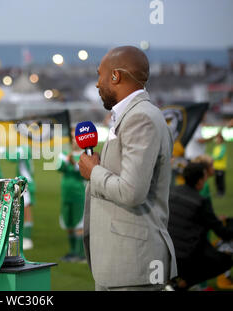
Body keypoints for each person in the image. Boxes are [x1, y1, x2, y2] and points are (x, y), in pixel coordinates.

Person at [78, 46, 177, 291]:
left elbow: (132, 191)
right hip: (120, 263)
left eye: (100, 75)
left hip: (133, 265)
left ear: (116, 76)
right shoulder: (130, 116)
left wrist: (94, 172)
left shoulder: (140, 117)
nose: (97, 84)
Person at [167, 162, 233, 290]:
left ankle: (172, 283)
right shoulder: (201, 202)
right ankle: (180, 285)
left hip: (163, 251)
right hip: (185, 258)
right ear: (200, 181)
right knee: (226, 259)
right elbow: (223, 233)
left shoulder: (171, 192)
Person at [56, 130, 87, 263]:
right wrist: (66, 161)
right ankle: (72, 251)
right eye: (73, 137)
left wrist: (74, 165)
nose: (74, 140)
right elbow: (59, 167)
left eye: (76, 137)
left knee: (78, 223)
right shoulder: (64, 154)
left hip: (79, 194)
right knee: (68, 223)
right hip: (66, 194)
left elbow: (84, 173)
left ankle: (81, 254)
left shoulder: (85, 155)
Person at [212, 132, 227, 197]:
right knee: (217, 180)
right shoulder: (216, 147)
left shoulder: (223, 147)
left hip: (221, 167)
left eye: (218, 139)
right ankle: (218, 192)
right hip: (215, 167)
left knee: (221, 180)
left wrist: (213, 157)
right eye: (216, 139)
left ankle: (222, 192)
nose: (217, 140)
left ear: (221, 140)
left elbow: (220, 156)